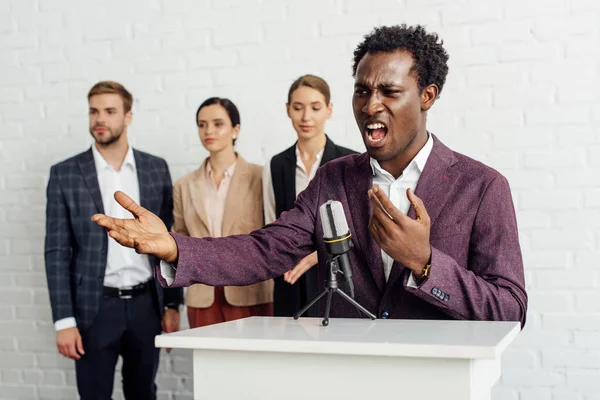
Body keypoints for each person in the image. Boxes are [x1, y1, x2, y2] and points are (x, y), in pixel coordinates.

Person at [92, 25, 528, 326]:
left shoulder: (482, 186)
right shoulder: (334, 178)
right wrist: (174, 247)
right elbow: (266, 250)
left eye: (389, 92)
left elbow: (509, 308)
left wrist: (425, 264)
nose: (370, 104)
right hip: (347, 373)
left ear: (428, 96)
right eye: (362, 90)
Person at [45, 81, 183, 399]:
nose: (99, 119)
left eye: (110, 111)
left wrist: (173, 303)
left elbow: (172, 240)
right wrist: (63, 321)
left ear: (128, 116)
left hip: (147, 306)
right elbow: (56, 251)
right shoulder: (64, 173)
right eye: (93, 111)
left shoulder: (155, 168)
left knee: (143, 392)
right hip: (94, 309)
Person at [173, 97, 273, 329]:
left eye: (218, 124)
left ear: (235, 129)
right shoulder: (183, 186)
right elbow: (178, 240)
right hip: (202, 295)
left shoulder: (260, 177)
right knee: (207, 363)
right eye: (202, 124)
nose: (209, 131)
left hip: (250, 289)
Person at [263, 75, 357, 317]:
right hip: (289, 280)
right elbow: (272, 225)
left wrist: (318, 255)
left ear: (329, 110)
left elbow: (361, 233)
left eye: (315, 108)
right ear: (288, 110)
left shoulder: (350, 163)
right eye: (298, 108)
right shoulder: (276, 165)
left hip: (339, 280)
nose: (306, 117)